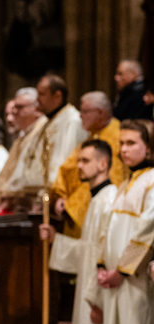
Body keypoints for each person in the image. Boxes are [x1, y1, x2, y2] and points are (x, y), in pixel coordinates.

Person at [39, 139, 117, 324]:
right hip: (88, 289)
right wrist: (56, 240)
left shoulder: (109, 200)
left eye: (85, 161)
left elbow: (105, 255)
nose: (79, 166)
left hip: (98, 292)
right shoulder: (96, 200)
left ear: (103, 163)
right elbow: (87, 251)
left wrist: (97, 299)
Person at [92, 119, 154, 324]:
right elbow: (109, 230)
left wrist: (123, 270)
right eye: (122, 143)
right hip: (118, 283)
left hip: (137, 282)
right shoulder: (125, 183)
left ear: (149, 147)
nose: (124, 149)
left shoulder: (152, 181)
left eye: (131, 143)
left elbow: (147, 231)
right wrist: (103, 265)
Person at [0, 75, 87, 206]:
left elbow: (67, 159)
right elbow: (26, 159)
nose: (37, 99)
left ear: (57, 96)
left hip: (52, 197)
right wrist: (10, 190)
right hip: (31, 197)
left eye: (42, 94)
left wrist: (53, 193)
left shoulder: (72, 121)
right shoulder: (45, 123)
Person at [51, 91, 126, 238]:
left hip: (98, 206)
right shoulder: (92, 136)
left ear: (100, 113)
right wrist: (61, 195)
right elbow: (68, 168)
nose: (80, 115)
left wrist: (71, 205)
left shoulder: (116, 137)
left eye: (85, 111)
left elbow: (105, 178)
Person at [0, 88, 45, 207]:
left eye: (19, 107)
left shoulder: (42, 132)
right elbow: (7, 171)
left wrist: (8, 194)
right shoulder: (23, 137)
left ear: (37, 108)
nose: (14, 112)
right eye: (14, 107)